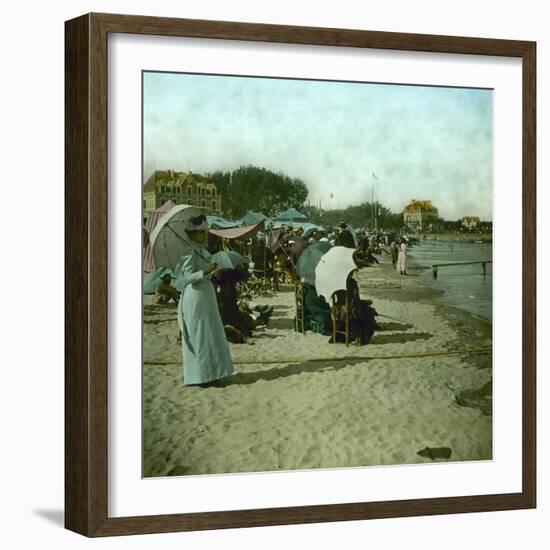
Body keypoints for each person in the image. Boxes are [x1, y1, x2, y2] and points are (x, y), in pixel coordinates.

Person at [174, 211, 234, 386]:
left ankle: (214, 373)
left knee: (211, 333)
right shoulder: (188, 251)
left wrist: (215, 268)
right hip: (195, 297)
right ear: (194, 234)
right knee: (200, 335)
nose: (205, 235)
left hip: (206, 296)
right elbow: (184, 279)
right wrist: (204, 271)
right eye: (202, 232)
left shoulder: (201, 250)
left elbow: (210, 265)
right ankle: (201, 376)